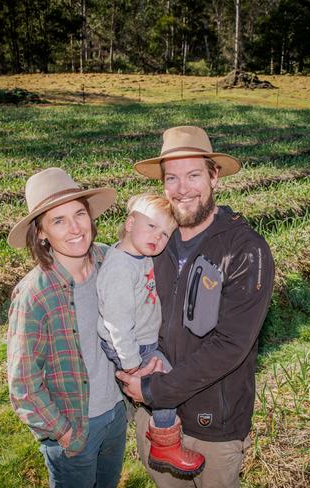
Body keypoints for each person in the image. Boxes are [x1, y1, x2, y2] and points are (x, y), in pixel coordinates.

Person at [116, 126, 276, 488]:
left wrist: (157, 390)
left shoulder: (245, 250)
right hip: (154, 418)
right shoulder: (155, 240)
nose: (182, 189)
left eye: (193, 175)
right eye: (172, 178)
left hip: (213, 426)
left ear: (214, 176)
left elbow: (231, 345)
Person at [6, 167, 127, 488]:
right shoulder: (35, 294)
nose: (75, 228)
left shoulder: (109, 261)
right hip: (75, 424)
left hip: (116, 412)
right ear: (41, 232)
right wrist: (61, 429)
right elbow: (23, 384)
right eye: (58, 220)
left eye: (79, 214)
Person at [97, 193, 205, 476]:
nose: (158, 237)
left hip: (141, 342)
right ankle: (165, 445)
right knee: (165, 388)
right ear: (130, 223)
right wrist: (132, 363)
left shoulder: (138, 255)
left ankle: (163, 432)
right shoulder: (120, 268)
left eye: (166, 234)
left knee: (168, 382)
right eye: (152, 226)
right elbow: (117, 323)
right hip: (130, 346)